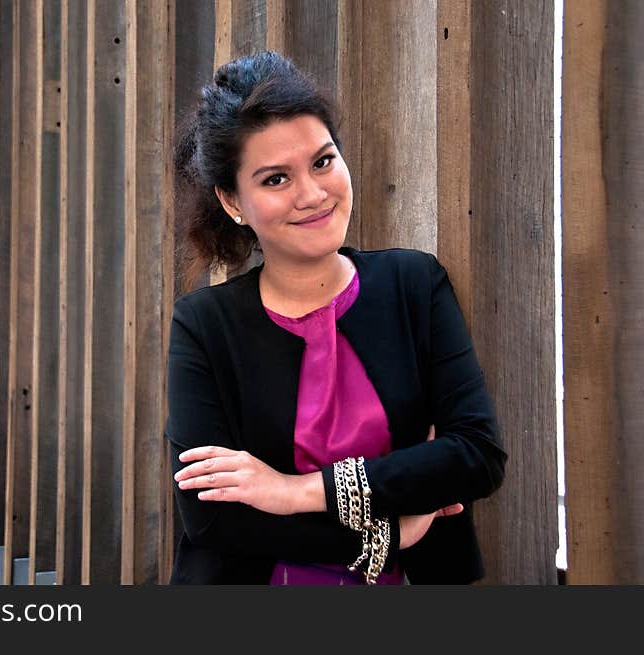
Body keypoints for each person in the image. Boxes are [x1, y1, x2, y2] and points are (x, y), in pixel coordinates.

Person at [166, 51, 507, 584]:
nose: (313, 194)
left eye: (323, 161)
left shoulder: (414, 285)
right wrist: (394, 530)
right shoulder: (204, 324)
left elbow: (475, 455)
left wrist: (292, 491)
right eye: (276, 179)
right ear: (234, 201)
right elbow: (214, 519)